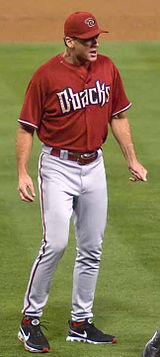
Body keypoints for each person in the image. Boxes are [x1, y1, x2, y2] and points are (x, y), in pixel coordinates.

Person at [16, 11, 147, 353]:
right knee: (56, 244)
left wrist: (131, 159)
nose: (95, 43)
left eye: (97, 37)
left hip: (95, 167)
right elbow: (26, 127)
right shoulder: (46, 75)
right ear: (69, 41)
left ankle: (80, 322)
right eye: (88, 39)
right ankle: (29, 320)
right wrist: (23, 172)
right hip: (58, 167)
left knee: (92, 247)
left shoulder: (107, 67)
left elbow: (118, 115)